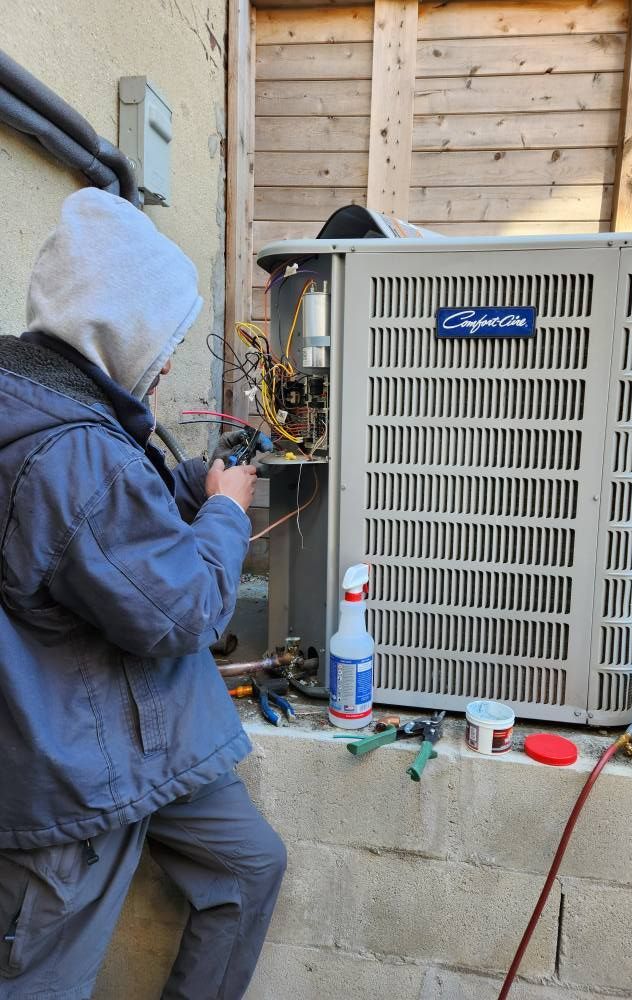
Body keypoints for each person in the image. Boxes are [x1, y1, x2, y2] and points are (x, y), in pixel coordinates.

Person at [0, 188, 286, 999]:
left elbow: (101, 531)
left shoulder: (38, 395)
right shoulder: (74, 452)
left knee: (248, 867)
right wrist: (228, 508)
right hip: (71, 771)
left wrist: (190, 483)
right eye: (163, 339)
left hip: (135, 736)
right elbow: (184, 607)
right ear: (120, 326)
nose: (166, 362)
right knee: (40, 982)